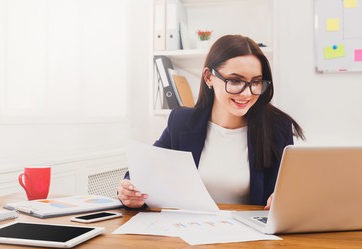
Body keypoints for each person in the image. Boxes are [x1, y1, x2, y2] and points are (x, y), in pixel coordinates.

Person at [118, 34, 305, 210]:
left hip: (249, 239)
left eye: (255, 82)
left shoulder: (277, 127)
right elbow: (144, 173)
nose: (247, 93)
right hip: (189, 233)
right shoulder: (182, 122)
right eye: (235, 81)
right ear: (209, 77)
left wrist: (284, 199)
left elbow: (290, 189)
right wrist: (129, 191)